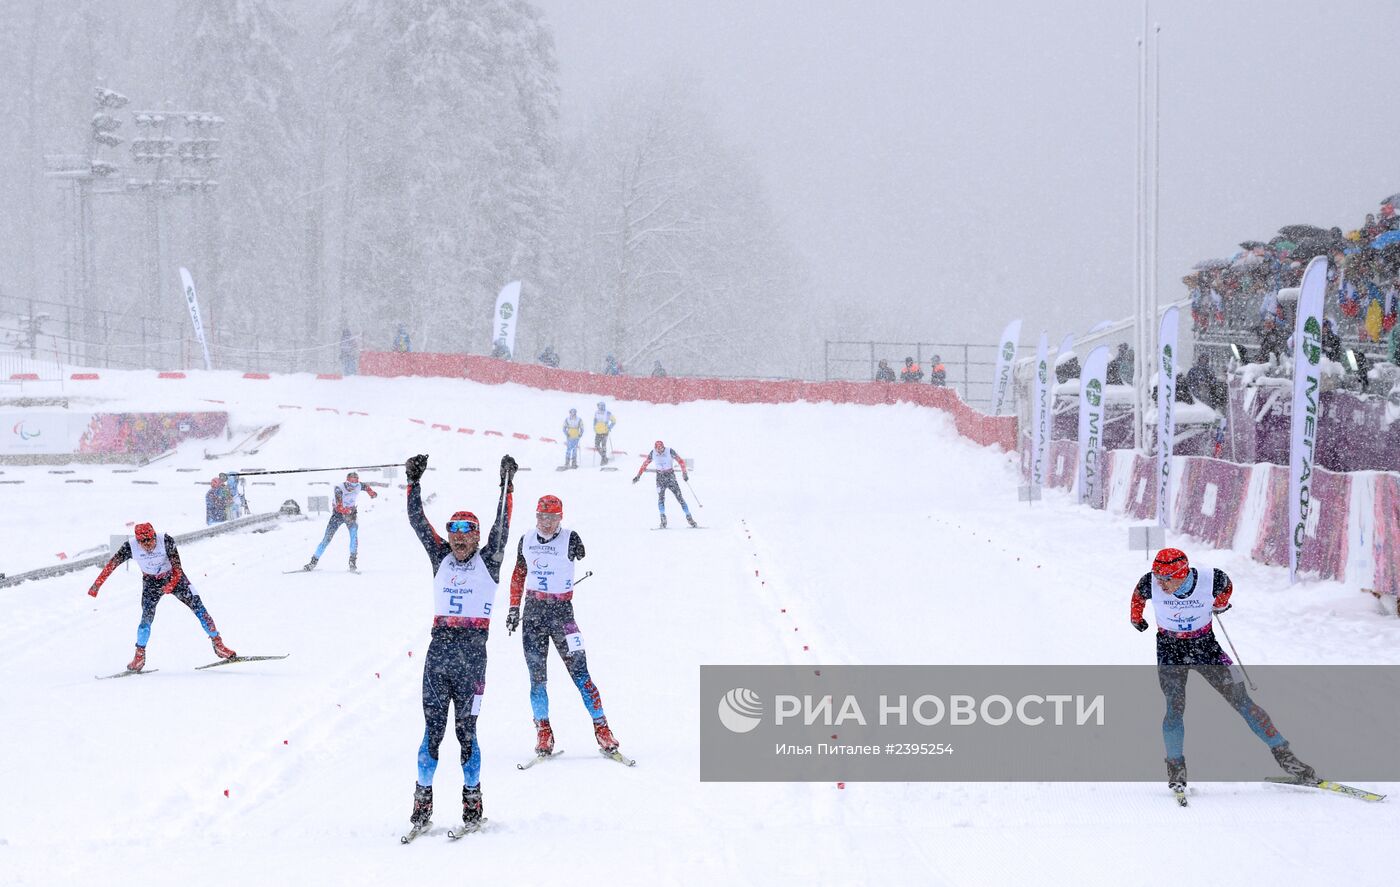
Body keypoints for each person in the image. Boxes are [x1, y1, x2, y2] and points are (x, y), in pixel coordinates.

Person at [1130, 548, 1316, 797]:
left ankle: (1288, 759)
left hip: (1206, 648)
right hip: (1169, 650)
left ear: (1182, 573)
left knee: (1243, 703)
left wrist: (1220, 604)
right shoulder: (1149, 582)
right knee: (1174, 708)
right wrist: (1136, 618)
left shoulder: (1211, 578)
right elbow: (1138, 596)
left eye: (1168, 579)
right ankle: (1176, 772)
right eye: (1158, 578)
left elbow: (1227, 586)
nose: (1162, 584)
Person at [403, 452, 516, 833]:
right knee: (431, 734)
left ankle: (472, 806)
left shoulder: (491, 560)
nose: (458, 540)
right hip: (438, 657)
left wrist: (506, 483)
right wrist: (413, 483)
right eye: (454, 534)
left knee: (466, 734)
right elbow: (418, 522)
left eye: (466, 534)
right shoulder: (440, 556)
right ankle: (421, 808)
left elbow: (503, 522)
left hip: (472, 659)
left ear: (477, 537)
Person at [504, 495, 621, 758]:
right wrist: (513, 608)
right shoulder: (526, 540)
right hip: (533, 614)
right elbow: (518, 574)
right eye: (541, 517)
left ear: (561, 518)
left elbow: (581, 553)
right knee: (537, 679)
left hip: (562, 615)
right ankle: (543, 730)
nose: (546, 523)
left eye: (552, 518)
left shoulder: (570, 538)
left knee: (581, 673)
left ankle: (602, 728)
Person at [87, 522, 237, 673]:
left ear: (154, 535)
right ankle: (139, 657)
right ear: (138, 540)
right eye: (143, 541)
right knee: (146, 619)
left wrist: (171, 584)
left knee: (199, 608)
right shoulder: (130, 546)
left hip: (175, 577)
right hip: (151, 582)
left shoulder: (165, 540)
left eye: (150, 539)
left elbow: (178, 567)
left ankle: (218, 645)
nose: (148, 544)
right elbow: (111, 565)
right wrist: (96, 585)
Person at [304, 471, 379, 572]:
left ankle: (352, 563)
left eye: (355, 483)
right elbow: (339, 506)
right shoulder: (339, 488)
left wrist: (372, 493)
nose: (353, 486)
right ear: (347, 482)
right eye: (351, 483)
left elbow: (365, 486)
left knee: (354, 537)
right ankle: (313, 562)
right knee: (326, 540)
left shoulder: (358, 485)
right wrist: (346, 511)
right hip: (338, 515)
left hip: (351, 515)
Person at [632, 439, 696, 528]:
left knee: (679, 497)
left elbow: (680, 461)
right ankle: (663, 519)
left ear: (663, 447)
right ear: (655, 448)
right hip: (660, 478)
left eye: (661, 449)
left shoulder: (670, 451)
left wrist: (684, 473)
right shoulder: (653, 453)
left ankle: (689, 518)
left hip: (670, 477)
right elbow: (645, 464)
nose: (660, 451)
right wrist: (638, 476)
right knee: (661, 498)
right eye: (658, 449)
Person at [592, 401, 616, 466]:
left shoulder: (607, 413)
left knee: (603, 446)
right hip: (598, 432)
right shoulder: (596, 413)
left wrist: (609, 427)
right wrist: (594, 427)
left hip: (605, 432)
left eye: (603, 406)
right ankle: (604, 457)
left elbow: (614, 421)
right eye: (600, 406)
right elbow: (595, 420)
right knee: (597, 445)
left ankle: (603, 460)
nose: (601, 407)